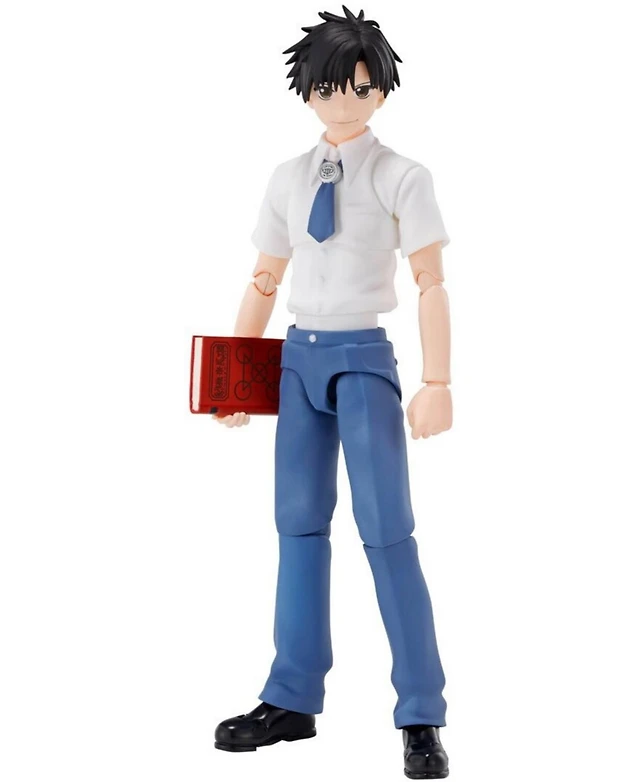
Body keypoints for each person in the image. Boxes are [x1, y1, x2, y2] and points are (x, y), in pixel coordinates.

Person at [213, 7, 452, 779]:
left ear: (380, 90)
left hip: (362, 359)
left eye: (358, 85)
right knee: (296, 525)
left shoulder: (401, 176)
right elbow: (264, 277)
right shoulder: (287, 178)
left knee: (387, 530)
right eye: (327, 86)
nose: (342, 99)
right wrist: (234, 373)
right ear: (307, 90)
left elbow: (431, 281)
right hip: (297, 360)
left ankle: (421, 710)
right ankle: (292, 695)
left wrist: (437, 381)